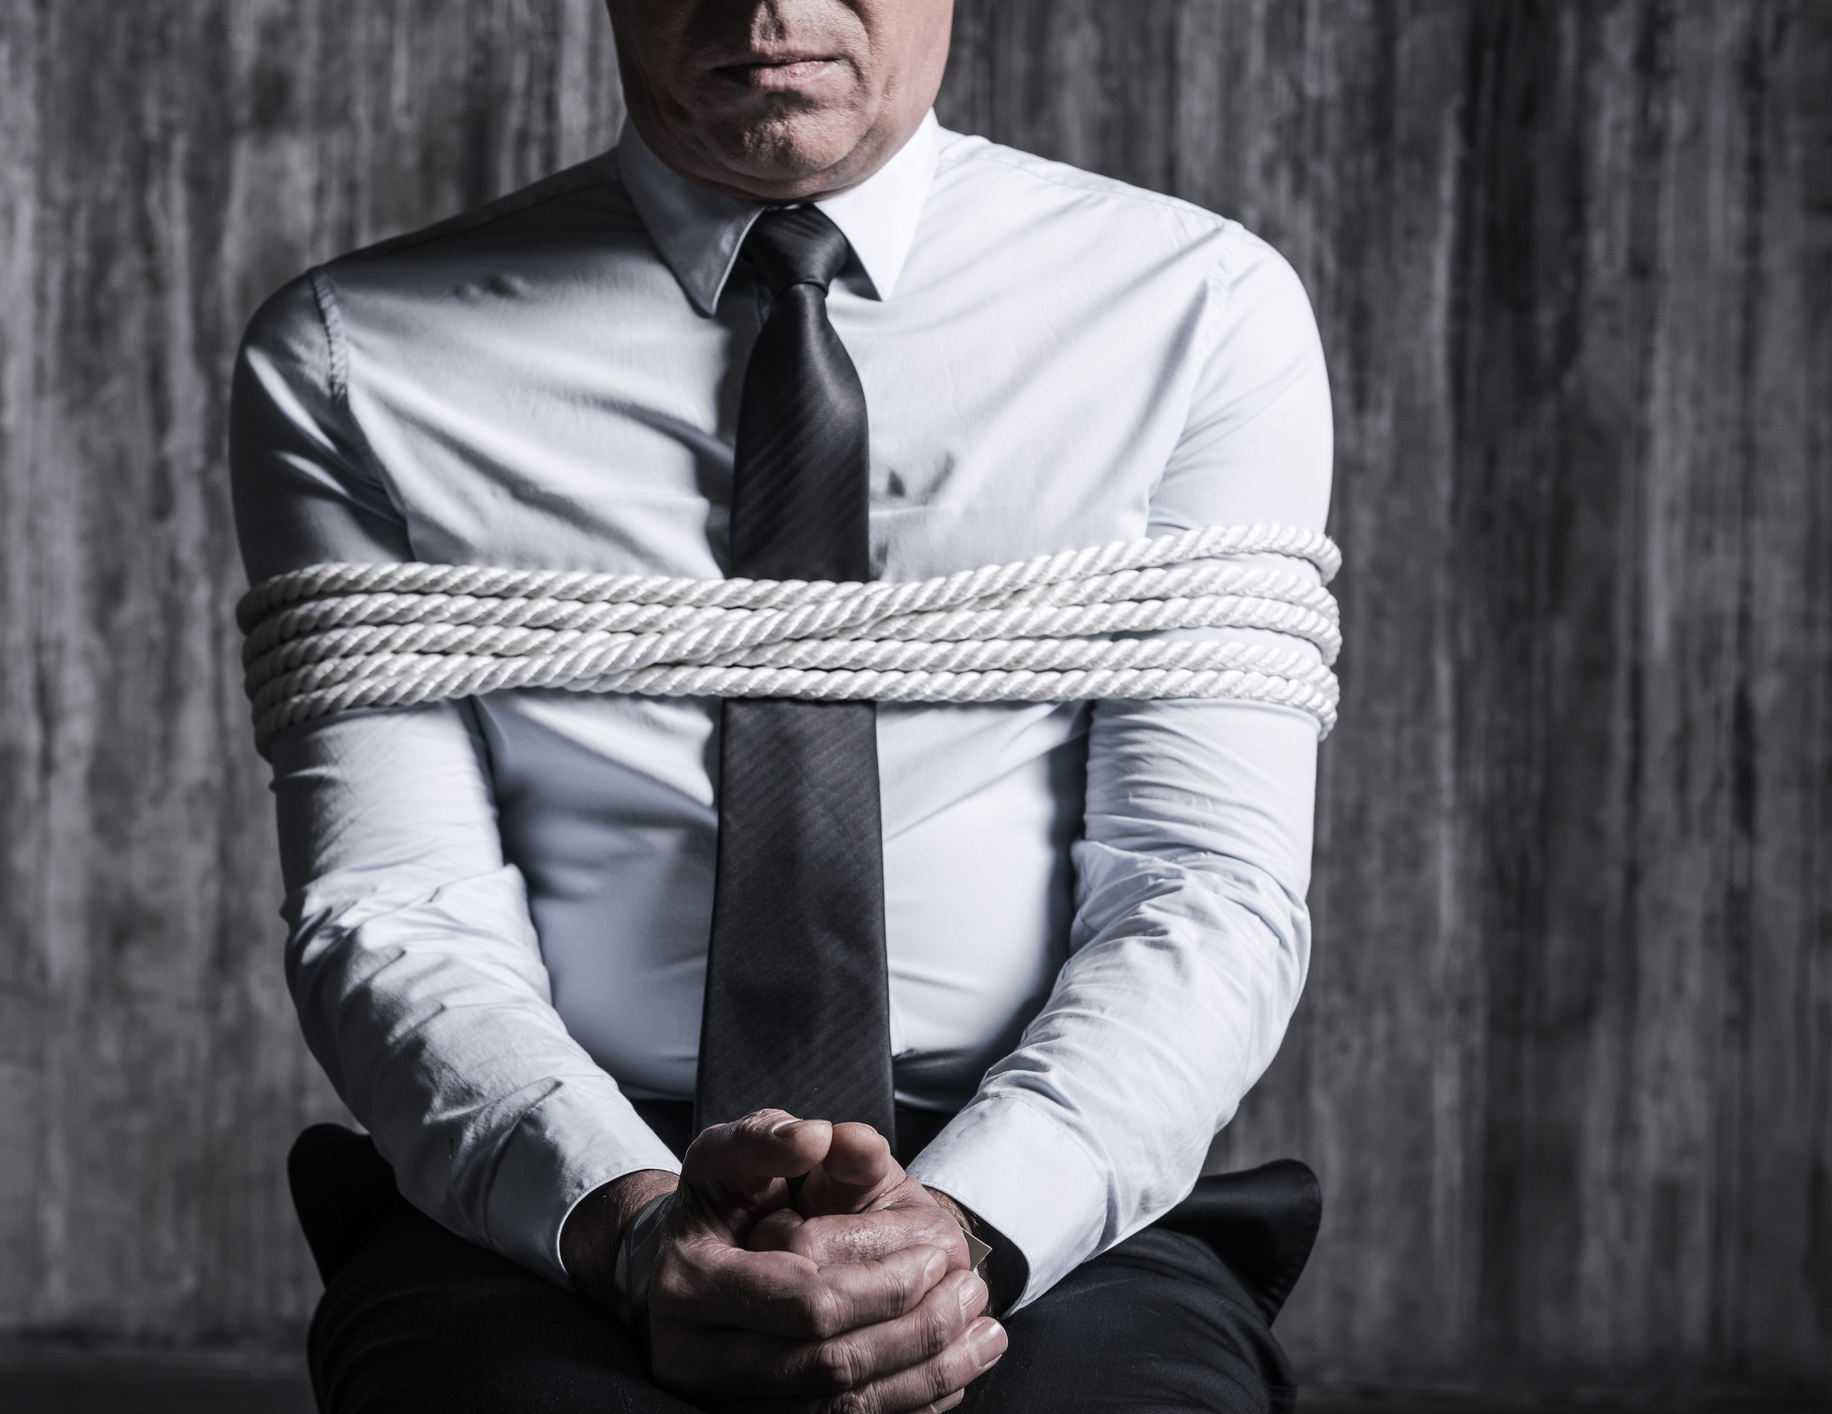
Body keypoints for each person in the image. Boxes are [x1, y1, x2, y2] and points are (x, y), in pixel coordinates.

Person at [229, 0, 1333, 1408]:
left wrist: (973, 1224)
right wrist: (625, 1219)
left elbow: (1204, 888)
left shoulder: (1196, 316)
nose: (769, 2)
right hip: (567, 1181)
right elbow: (395, 906)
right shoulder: (357, 357)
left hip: (1041, 1165)